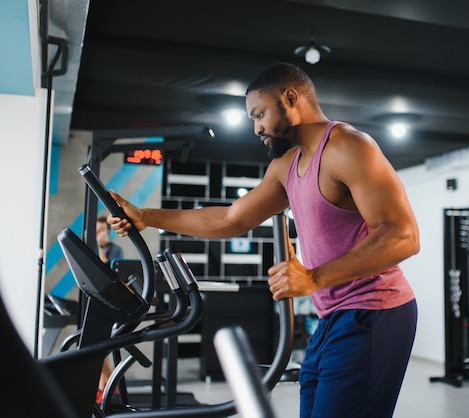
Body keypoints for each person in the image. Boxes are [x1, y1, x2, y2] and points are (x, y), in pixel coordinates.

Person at [108, 62, 420, 418]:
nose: (256, 128)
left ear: (291, 98)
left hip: (374, 311)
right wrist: (147, 217)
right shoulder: (286, 166)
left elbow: (403, 235)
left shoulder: (348, 147)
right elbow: (230, 218)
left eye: (259, 114)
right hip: (332, 316)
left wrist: (313, 278)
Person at [95, 216, 123, 404]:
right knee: (96, 347)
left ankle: (108, 385)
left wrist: (98, 247)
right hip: (95, 300)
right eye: (96, 231)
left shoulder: (114, 249)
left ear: (107, 231)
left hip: (110, 300)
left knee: (100, 347)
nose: (98, 234)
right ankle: (105, 385)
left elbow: (106, 271)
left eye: (101, 231)